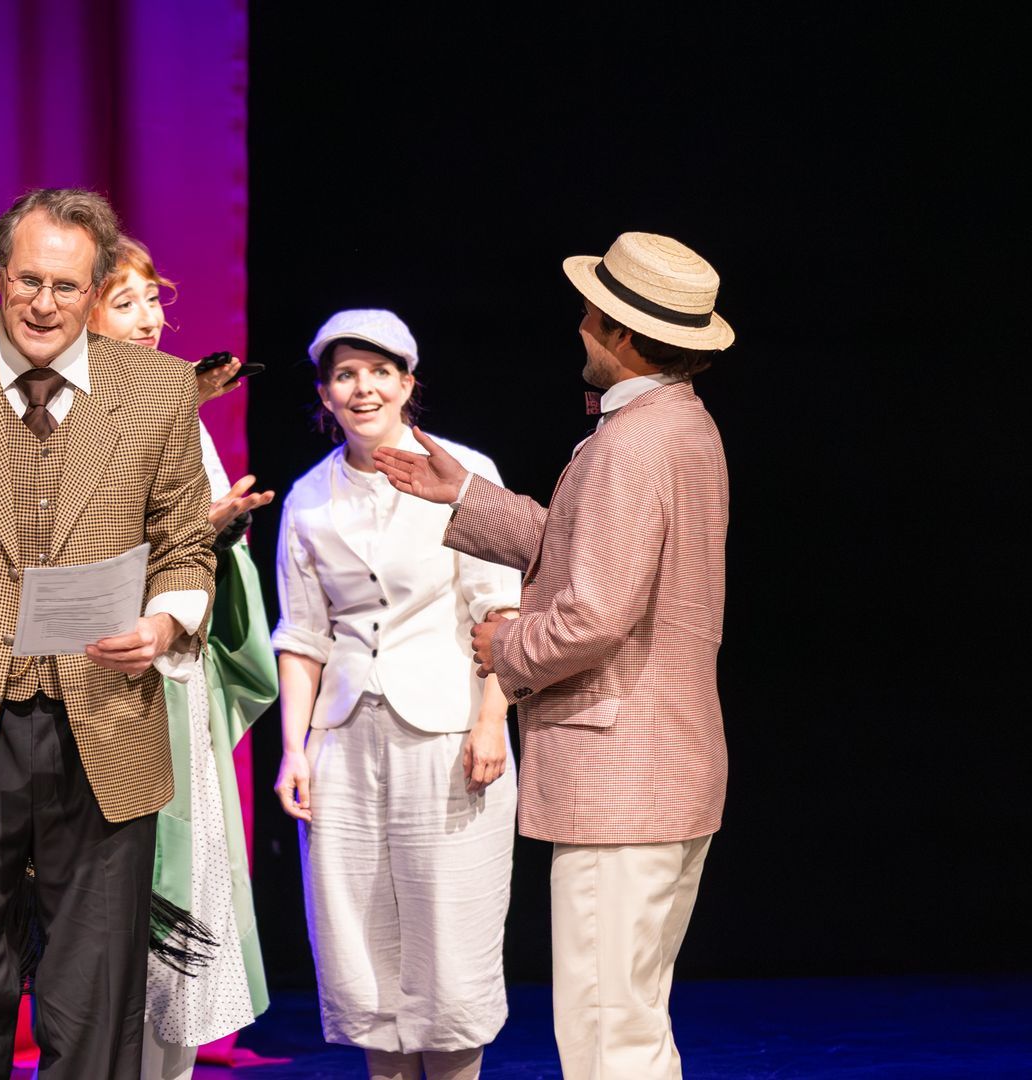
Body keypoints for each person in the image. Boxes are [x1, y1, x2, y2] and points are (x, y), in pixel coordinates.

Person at [0, 188, 216, 1079]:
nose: (45, 304)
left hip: (104, 722)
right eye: (27, 281)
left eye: (66, 286)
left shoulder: (158, 389)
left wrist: (164, 621)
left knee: (95, 1002)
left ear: (93, 290)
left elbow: (184, 543)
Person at [376, 233, 732, 1080]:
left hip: (623, 776)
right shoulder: (678, 425)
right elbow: (592, 549)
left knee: (609, 1033)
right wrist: (467, 495)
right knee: (631, 1022)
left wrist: (507, 647)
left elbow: (595, 613)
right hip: (662, 770)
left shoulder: (632, 443)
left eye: (590, 314)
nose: (579, 326)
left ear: (624, 333)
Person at [272, 309, 519, 1080]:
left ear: (408, 384)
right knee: (360, 941)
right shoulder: (309, 498)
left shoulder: (463, 473)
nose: (363, 388)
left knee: (451, 935)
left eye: (380, 372)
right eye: (346, 375)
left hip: (447, 733)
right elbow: (302, 636)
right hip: (345, 741)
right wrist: (293, 750)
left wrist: (491, 720)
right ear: (325, 393)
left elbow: (500, 611)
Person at [89, 237, 276, 1080]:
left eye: (152, 302)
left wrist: (218, 528)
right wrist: (198, 527)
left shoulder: (177, 410)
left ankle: (173, 1063)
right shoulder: (61, 412)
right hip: (113, 679)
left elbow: (191, 536)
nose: (148, 319)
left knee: (188, 885)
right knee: (125, 896)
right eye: (124, 301)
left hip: (177, 673)